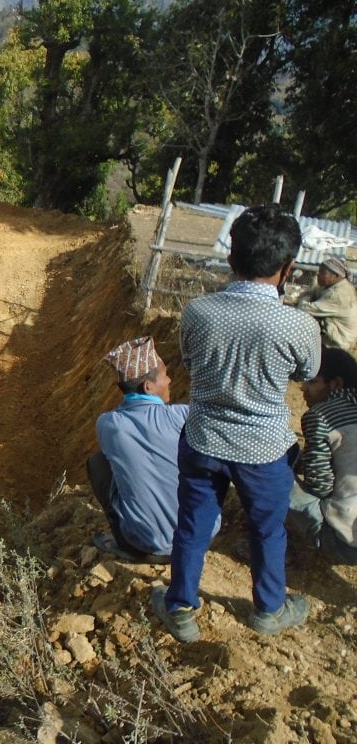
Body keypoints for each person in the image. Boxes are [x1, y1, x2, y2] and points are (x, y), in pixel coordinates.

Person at [152, 204, 322, 642]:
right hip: (264, 450)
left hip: (204, 437)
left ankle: (181, 608)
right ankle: (268, 610)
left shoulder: (198, 312)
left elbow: (189, 361)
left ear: (231, 259)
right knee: (267, 531)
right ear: (288, 268)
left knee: (191, 525)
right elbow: (306, 373)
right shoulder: (299, 325)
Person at [89, 336, 208, 561]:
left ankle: (126, 536)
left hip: (143, 543)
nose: (170, 380)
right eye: (165, 375)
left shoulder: (108, 424)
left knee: (98, 464)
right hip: (198, 536)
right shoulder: (182, 416)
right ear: (148, 386)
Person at [289, 348, 357, 564]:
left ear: (335, 384)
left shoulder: (321, 416)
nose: (303, 388)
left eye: (311, 381)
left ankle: (279, 545)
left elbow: (321, 487)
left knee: (266, 473)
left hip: (342, 542)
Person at [295, 257, 357, 350]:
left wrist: (306, 297)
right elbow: (313, 291)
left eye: (322, 273)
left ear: (335, 275)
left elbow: (303, 309)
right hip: (338, 334)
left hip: (339, 342)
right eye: (319, 272)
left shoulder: (337, 296)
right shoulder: (335, 285)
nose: (318, 275)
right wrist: (309, 295)